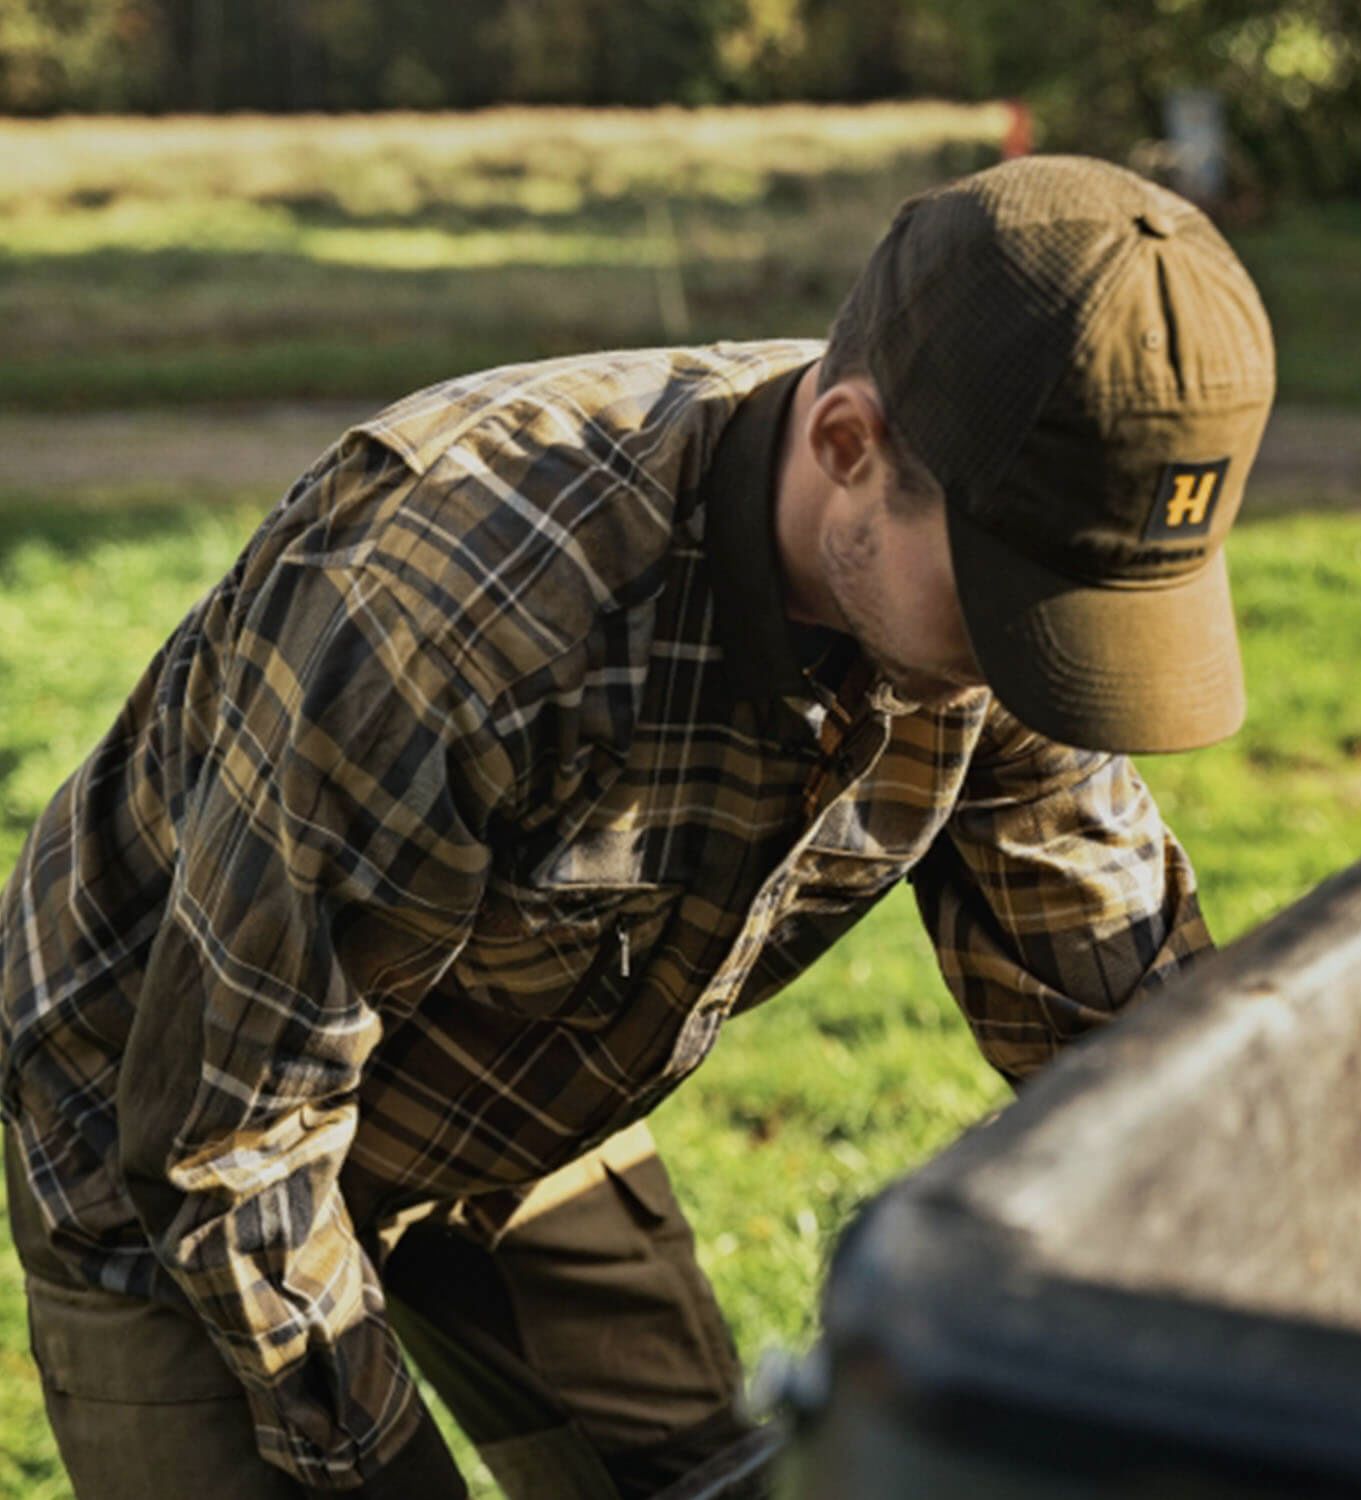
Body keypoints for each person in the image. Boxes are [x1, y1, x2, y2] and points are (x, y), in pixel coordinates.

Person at [0, 155, 1274, 1500]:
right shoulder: (460, 612)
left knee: (704, 1482)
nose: (1045, 672)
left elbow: (1127, 1027)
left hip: (523, 1061)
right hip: (172, 1121)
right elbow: (229, 1133)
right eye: (1017, 605)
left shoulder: (1001, 571)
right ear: (846, 447)